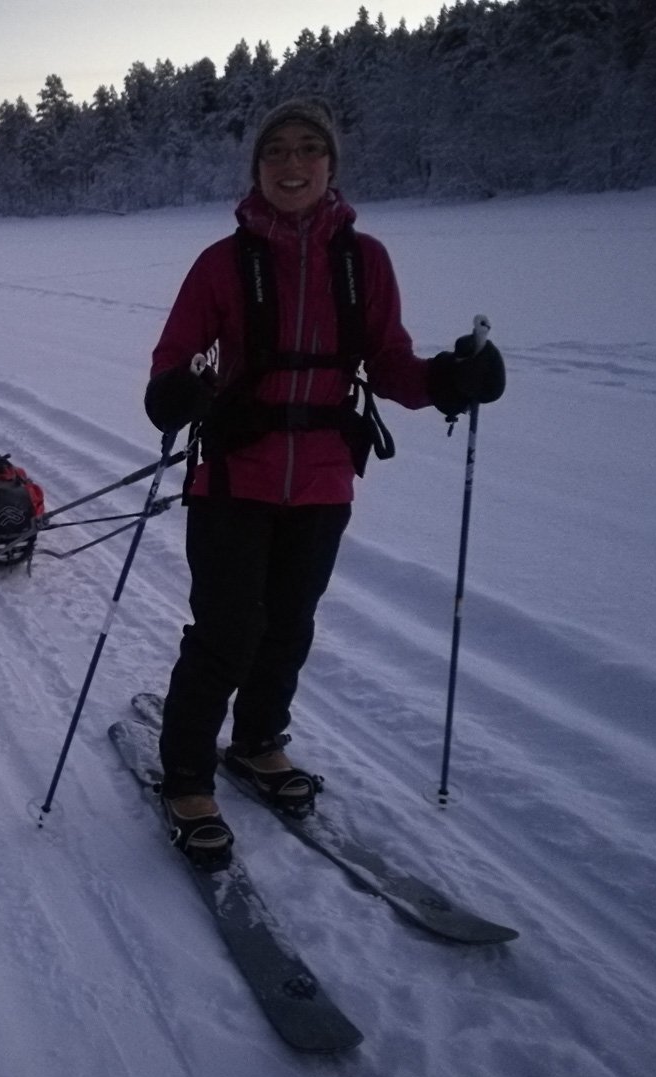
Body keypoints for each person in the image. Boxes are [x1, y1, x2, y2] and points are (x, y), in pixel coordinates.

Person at [143, 98, 505, 867]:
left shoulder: (362, 261)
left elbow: (394, 365)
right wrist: (177, 393)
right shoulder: (222, 262)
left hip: (321, 480)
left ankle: (257, 741)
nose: (293, 163)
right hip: (233, 476)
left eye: (309, 149)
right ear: (258, 169)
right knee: (226, 632)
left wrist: (452, 378)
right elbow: (171, 361)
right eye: (276, 151)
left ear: (331, 166)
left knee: (289, 623)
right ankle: (183, 775)